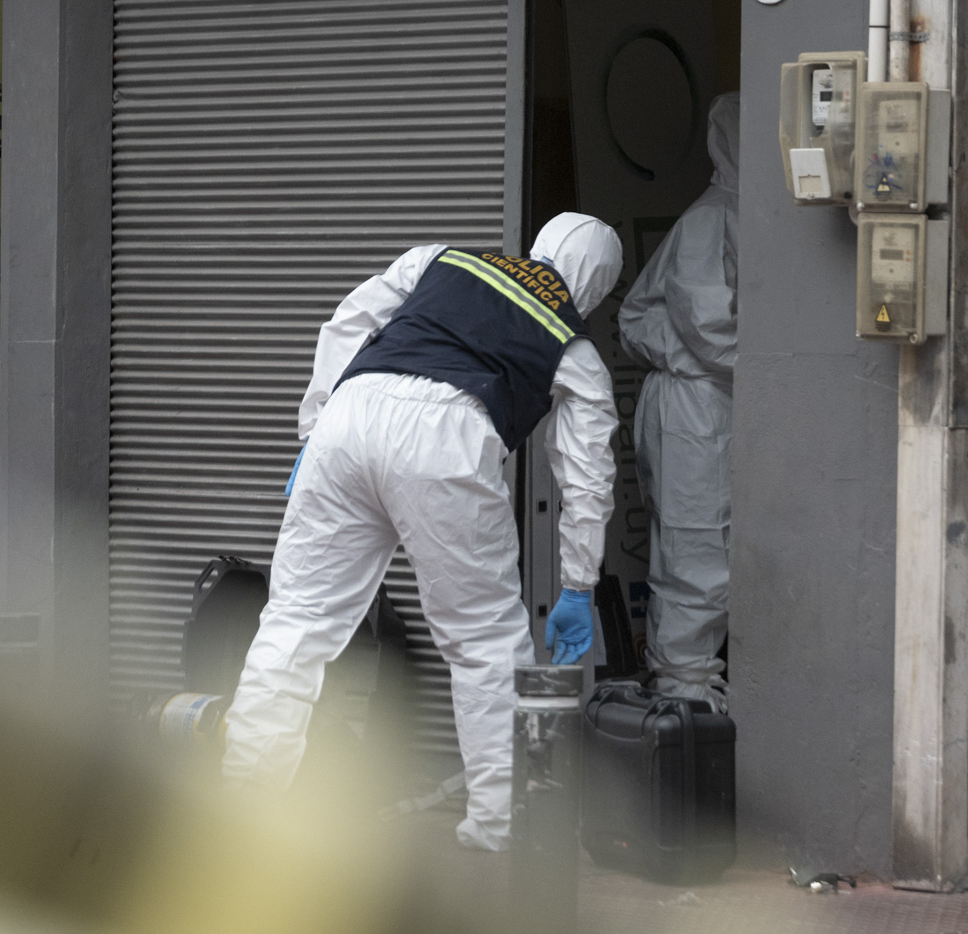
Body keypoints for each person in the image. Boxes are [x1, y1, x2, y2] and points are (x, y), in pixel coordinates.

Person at [221, 213, 623, 851]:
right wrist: (577, 583)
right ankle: (498, 825)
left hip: (350, 420)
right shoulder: (574, 348)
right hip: (449, 437)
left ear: (540, 245)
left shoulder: (440, 259)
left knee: (296, 621)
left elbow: (348, 321)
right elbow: (586, 475)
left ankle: (240, 809)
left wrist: (315, 428)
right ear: (596, 286)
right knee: (485, 638)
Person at [618, 92, 740, 714]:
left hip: (710, 399)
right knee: (698, 547)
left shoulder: (739, 214)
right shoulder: (711, 219)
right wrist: (779, 375)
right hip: (697, 403)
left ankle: (690, 686)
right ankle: (684, 695)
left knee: (710, 543)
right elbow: (708, 325)